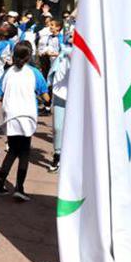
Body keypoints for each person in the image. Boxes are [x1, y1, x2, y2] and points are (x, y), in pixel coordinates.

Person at [0, 41, 49, 201]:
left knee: (13, 151)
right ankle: (19, 188)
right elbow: (45, 95)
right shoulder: (34, 72)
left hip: (10, 116)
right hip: (27, 116)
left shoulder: (8, 72)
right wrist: (41, 98)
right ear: (29, 56)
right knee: (24, 153)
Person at [46, 34, 73, 172]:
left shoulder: (81, 53)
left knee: (75, 130)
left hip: (76, 97)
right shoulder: (63, 52)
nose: (71, 36)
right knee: (57, 128)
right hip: (59, 94)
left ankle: (72, 160)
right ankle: (57, 156)